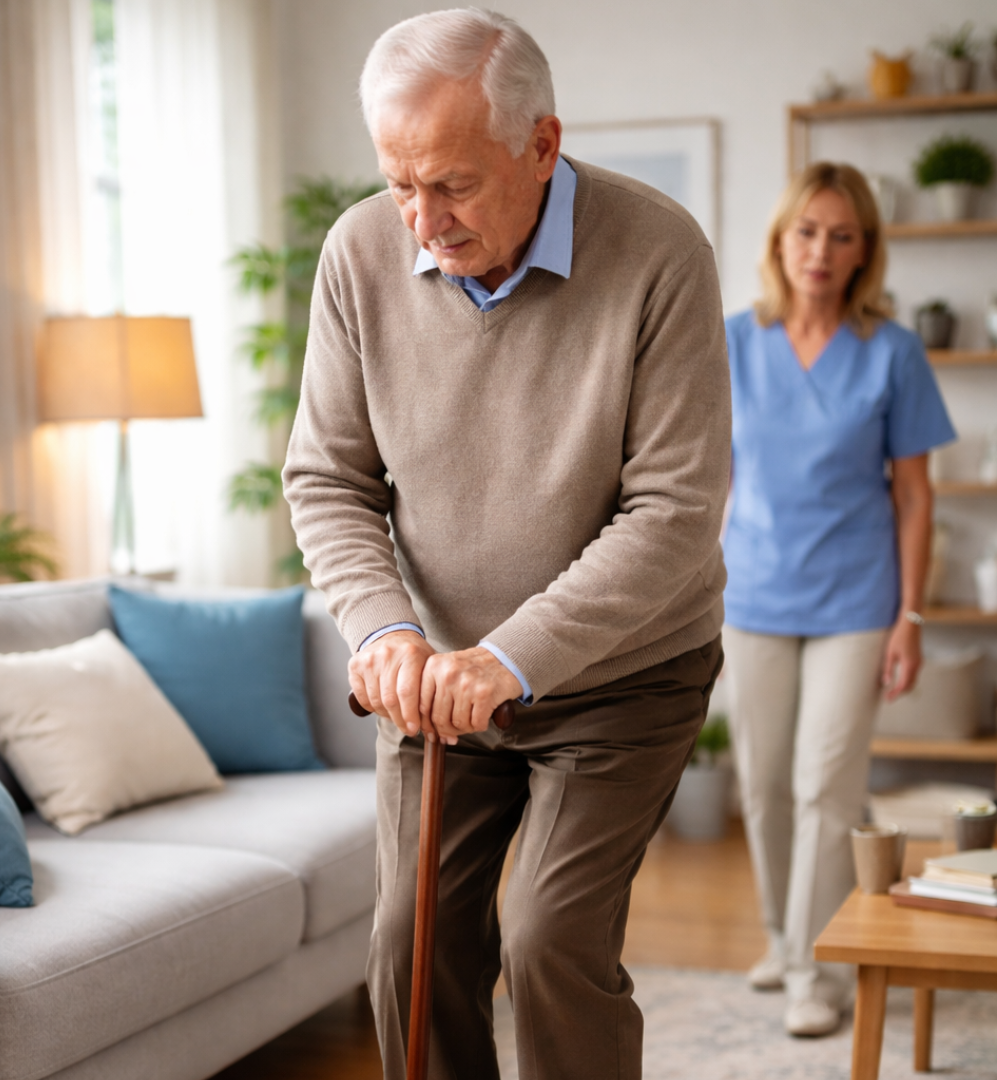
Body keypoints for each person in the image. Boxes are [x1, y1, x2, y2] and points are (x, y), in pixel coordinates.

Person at [283, 10, 731, 1078]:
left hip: (624, 679)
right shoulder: (358, 255)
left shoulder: (660, 252)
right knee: (410, 944)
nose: (422, 221)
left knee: (549, 941)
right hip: (434, 684)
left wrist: (511, 657)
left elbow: (674, 508)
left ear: (541, 146)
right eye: (399, 184)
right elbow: (327, 477)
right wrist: (385, 630)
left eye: (452, 184)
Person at [722, 162, 956, 1038]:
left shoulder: (892, 351)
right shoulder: (733, 342)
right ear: (780, 242)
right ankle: (784, 939)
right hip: (752, 595)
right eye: (807, 231)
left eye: (842, 234)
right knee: (765, 781)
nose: (821, 250)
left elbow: (915, 496)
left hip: (858, 601)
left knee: (827, 783)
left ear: (866, 251)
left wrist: (912, 617)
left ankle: (816, 968)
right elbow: (710, 478)